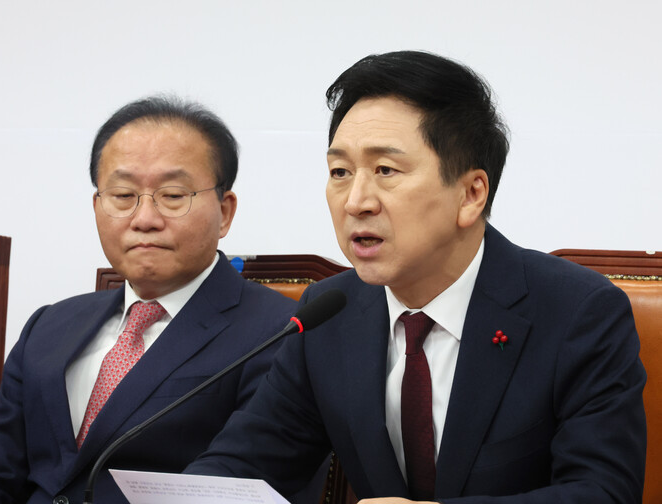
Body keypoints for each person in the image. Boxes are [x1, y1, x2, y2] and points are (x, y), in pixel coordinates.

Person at [185, 51, 647, 503]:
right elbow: (246, 463)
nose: (356, 201)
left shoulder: (577, 312)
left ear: (471, 194)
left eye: (385, 170)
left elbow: (602, 491)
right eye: (340, 171)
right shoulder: (328, 315)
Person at [0, 96, 296, 503]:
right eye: (123, 195)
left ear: (224, 212)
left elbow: (245, 486)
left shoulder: (281, 333)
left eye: (173, 195)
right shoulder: (47, 326)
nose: (144, 219)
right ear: (97, 206)